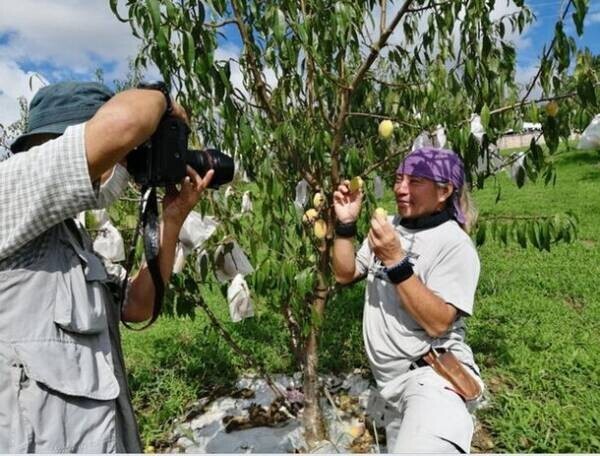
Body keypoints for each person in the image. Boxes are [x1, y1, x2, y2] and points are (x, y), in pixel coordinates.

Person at [0, 81, 214, 452]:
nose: (126, 166)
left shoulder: (71, 240)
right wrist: (162, 99)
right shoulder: (9, 191)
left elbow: (137, 305)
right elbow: (124, 123)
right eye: (124, 156)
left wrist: (172, 221)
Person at [332, 147, 484, 453]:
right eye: (398, 178)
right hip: (390, 384)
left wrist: (396, 261)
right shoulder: (391, 227)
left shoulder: (454, 245)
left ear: (444, 191)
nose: (400, 188)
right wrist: (345, 227)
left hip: (431, 378)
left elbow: (438, 322)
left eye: (415, 181)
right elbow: (345, 274)